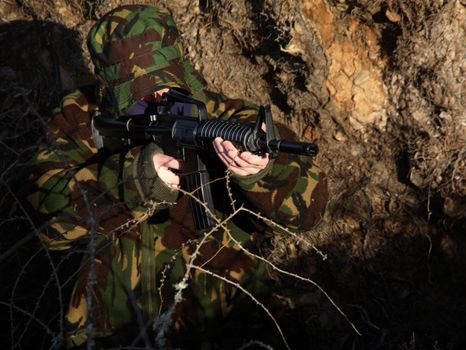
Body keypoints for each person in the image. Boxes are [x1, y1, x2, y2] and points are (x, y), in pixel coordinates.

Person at [26, 4, 328, 348]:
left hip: (226, 324)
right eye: (141, 91)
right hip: (116, 329)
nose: (159, 99)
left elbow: (311, 210)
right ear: (112, 87)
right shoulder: (80, 120)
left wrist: (262, 173)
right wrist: (133, 178)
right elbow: (40, 218)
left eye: (168, 83)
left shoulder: (228, 117)